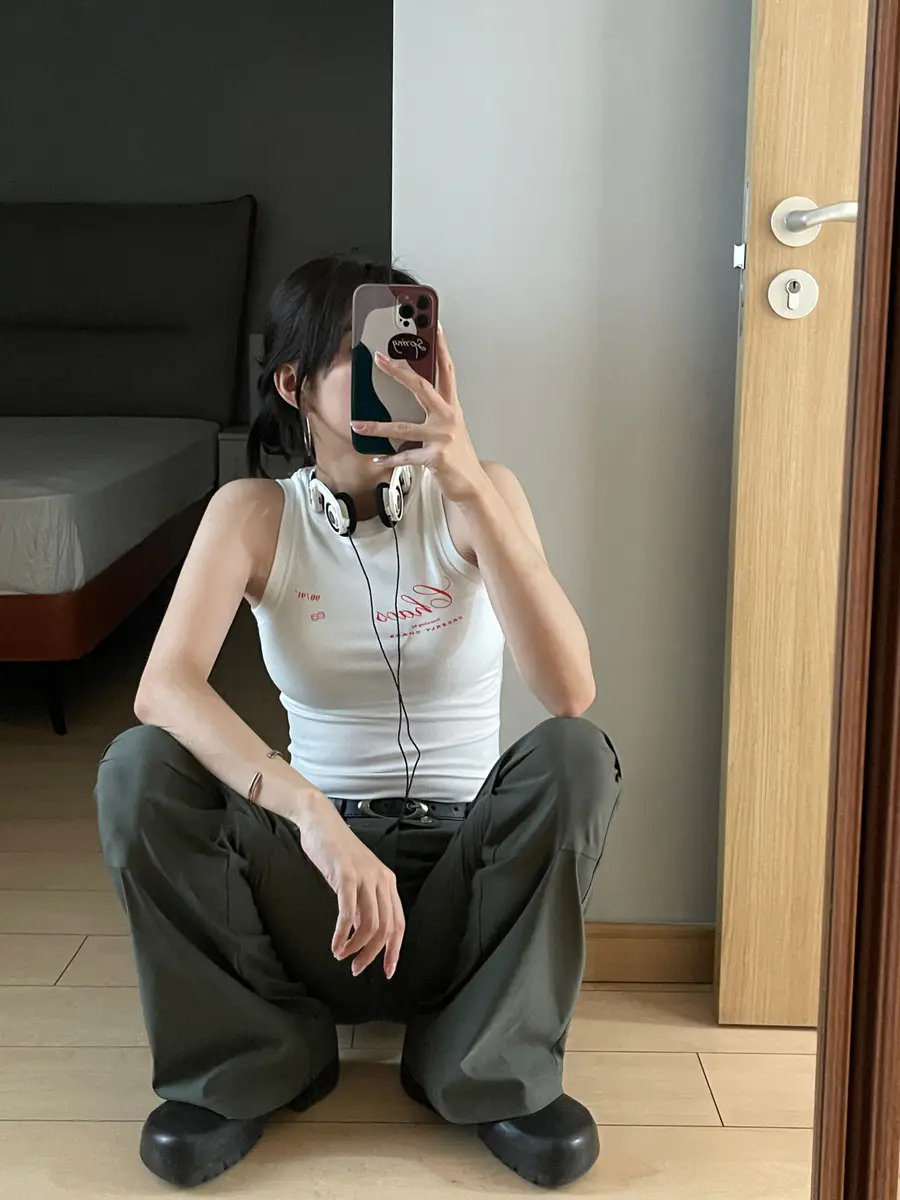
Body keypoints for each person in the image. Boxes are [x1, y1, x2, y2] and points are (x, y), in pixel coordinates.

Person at [95, 256, 622, 1190]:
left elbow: (569, 690)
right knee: (138, 769)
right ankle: (253, 1062)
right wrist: (312, 815)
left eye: (409, 347)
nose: (397, 373)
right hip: (321, 891)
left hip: (464, 889)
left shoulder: (481, 494)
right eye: (364, 354)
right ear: (293, 384)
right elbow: (164, 688)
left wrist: (471, 488)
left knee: (576, 757)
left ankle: (482, 1066)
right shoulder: (253, 513)